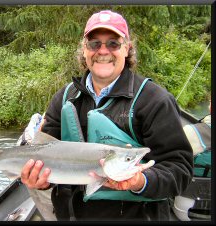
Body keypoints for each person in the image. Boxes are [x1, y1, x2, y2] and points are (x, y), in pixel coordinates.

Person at [20, 10, 193, 221]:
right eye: (94, 44)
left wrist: (140, 181)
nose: (103, 51)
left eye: (113, 43)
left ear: (127, 49)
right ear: (84, 50)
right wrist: (41, 180)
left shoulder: (155, 100)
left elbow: (180, 170)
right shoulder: (63, 98)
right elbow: (47, 155)